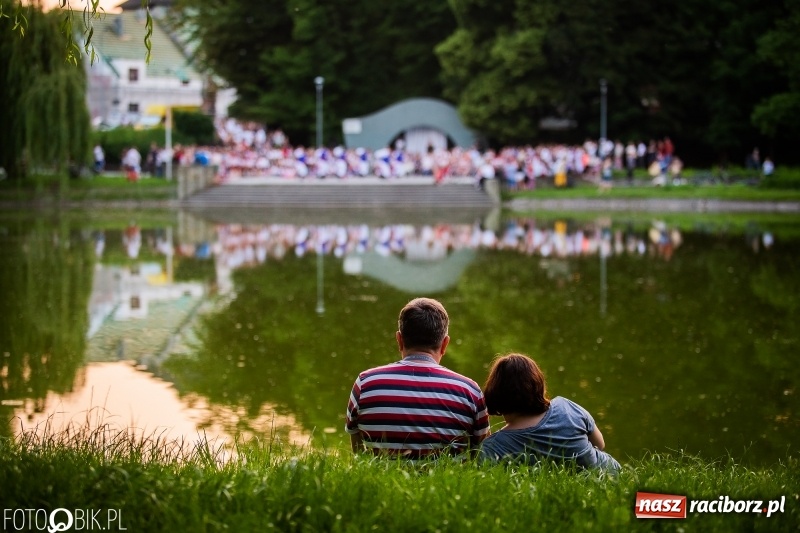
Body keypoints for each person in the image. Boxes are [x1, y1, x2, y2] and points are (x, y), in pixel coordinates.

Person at [345, 297, 490, 458]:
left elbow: (357, 449)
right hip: (446, 483)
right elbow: (481, 454)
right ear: (445, 344)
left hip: (384, 482)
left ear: (399, 340)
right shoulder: (469, 391)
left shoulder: (366, 384)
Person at [479, 353, 620, 472]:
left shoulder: (493, 447)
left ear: (496, 394)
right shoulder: (566, 407)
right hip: (609, 474)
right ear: (538, 384)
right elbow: (600, 444)